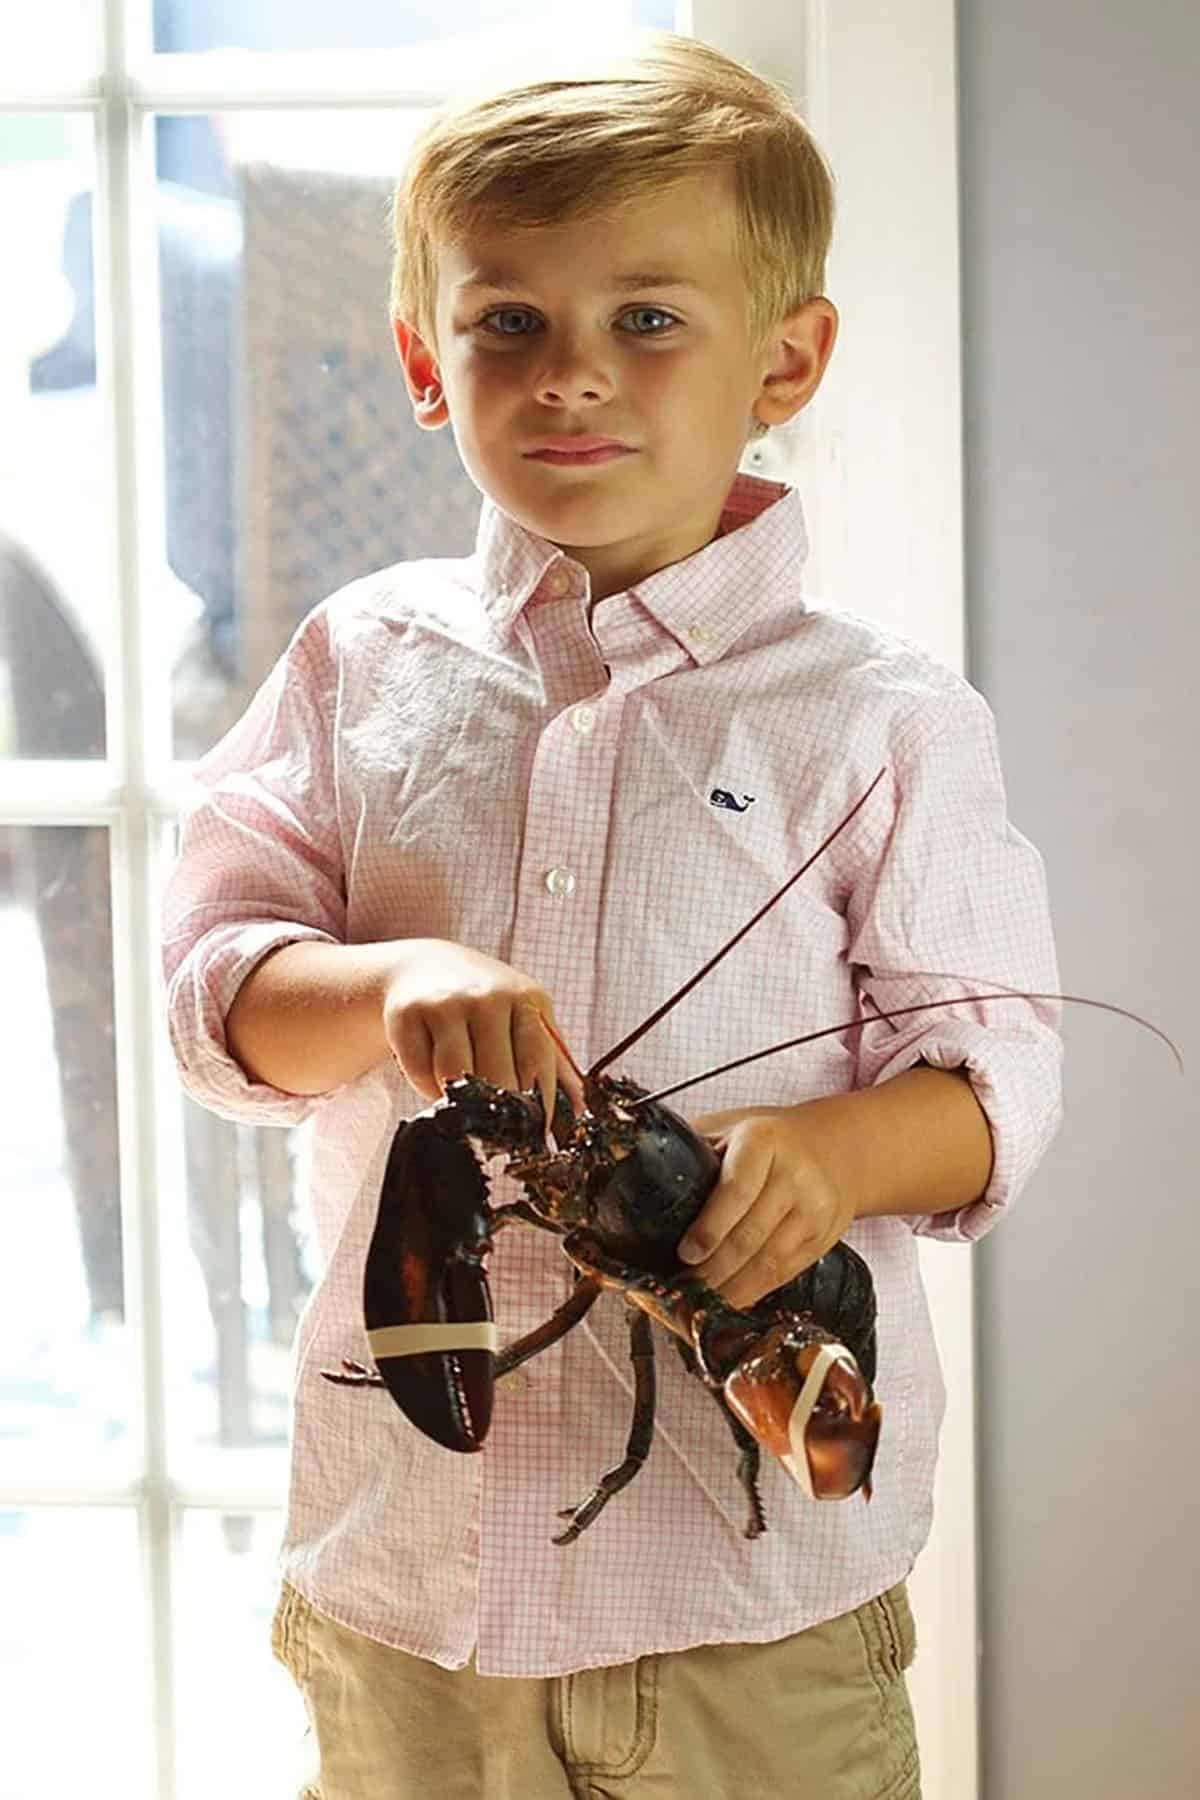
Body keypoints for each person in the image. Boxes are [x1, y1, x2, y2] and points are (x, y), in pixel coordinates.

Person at [161, 29, 1062, 1800]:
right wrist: (389, 980)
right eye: (511, 322)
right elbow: (213, 991)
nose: (572, 376)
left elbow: (999, 1073)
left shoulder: (883, 720)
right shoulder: (360, 662)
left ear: (786, 359)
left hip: (759, 1629)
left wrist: (837, 1149)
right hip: (409, 1604)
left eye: (648, 319)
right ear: (430, 360)